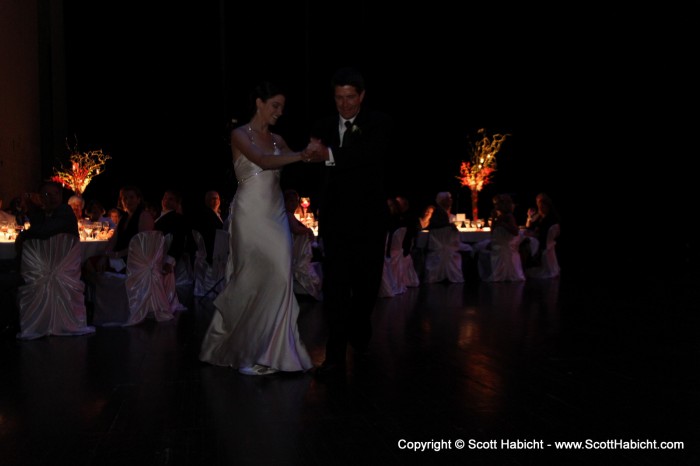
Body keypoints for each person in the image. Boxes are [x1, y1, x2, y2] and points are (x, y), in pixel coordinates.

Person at [199, 81, 313, 376]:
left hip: (275, 214)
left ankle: (276, 351)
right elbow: (263, 161)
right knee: (251, 278)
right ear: (260, 104)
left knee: (280, 274)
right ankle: (248, 350)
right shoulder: (239, 135)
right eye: (275, 105)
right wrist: (301, 155)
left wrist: (318, 154)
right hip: (249, 214)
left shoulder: (278, 138)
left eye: (282, 107)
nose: (279, 112)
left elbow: (297, 156)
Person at [305, 67, 393, 376]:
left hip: (369, 222)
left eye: (350, 97)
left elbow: (367, 155)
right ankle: (334, 357)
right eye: (339, 98)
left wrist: (329, 153)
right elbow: (317, 168)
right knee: (336, 289)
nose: (345, 105)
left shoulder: (378, 123)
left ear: (362, 96)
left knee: (367, 287)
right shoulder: (323, 125)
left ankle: (360, 325)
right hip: (335, 223)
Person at [14, 181, 79, 261]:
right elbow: (36, 227)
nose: (53, 197)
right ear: (41, 198)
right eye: (47, 195)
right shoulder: (43, 213)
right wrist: (32, 206)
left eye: (56, 193)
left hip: (63, 264)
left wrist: (23, 235)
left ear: (61, 196)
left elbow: (44, 230)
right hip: (44, 260)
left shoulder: (65, 211)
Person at [192, 190, 225, 265]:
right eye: (213, 198)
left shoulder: (220, 215)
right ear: (207, 201)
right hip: (210, 254)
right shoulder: (205, 216)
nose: (216, 200)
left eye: (217, 198)